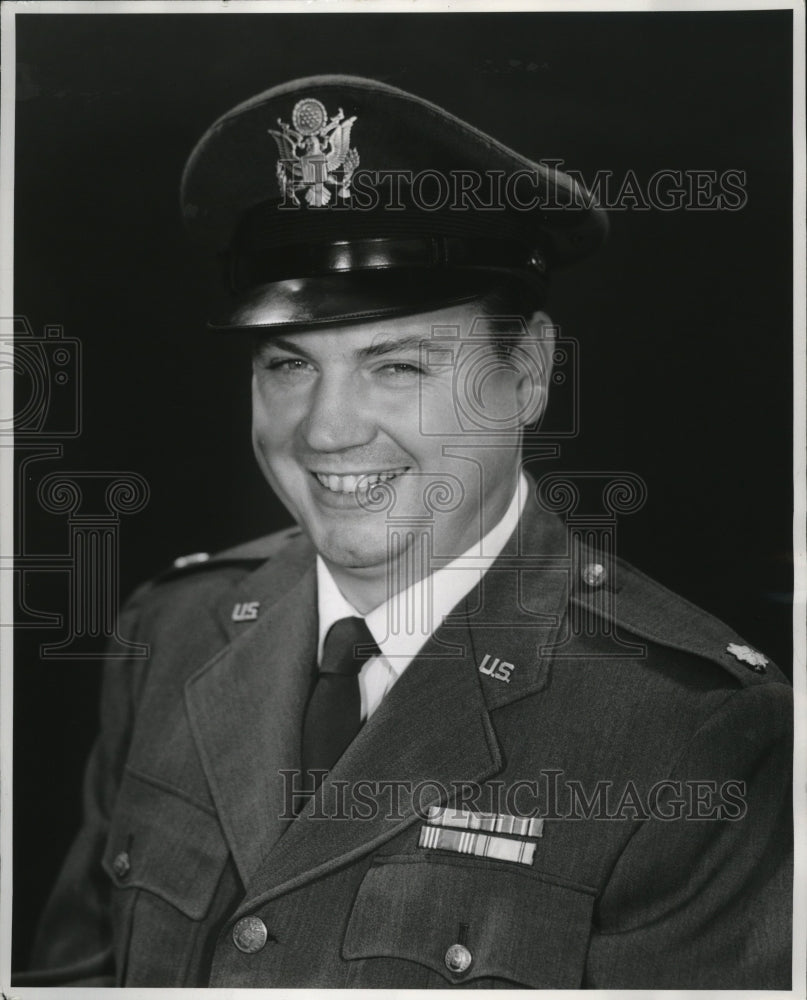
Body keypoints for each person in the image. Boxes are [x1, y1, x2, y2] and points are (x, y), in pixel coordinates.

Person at [19, 75, 791, 990]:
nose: (326, 430)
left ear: (530, 371)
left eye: (397, 364)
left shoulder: (692, 732)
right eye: (288, 364)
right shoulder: (171, 632)